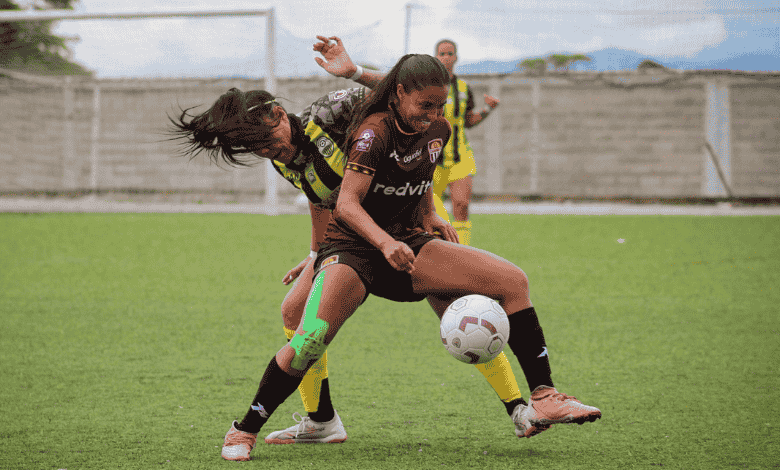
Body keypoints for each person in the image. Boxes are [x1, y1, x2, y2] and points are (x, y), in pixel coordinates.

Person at [218, 52, 601, 462]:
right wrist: (322, 253)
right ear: (399, 95)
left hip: (407, 241)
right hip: (353, 248)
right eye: (426, 105)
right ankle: (248, 429)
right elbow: (336, 203)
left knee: (511, 281)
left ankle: (540, 398)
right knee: (307, 332)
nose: (433, 113)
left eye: (439, 105)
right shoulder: (367, 135)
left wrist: (430, 212)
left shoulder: (433, 127)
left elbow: (414, 167)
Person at [167, 38, 532, 448]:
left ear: (276, 112)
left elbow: (406, 102)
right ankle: (321, 421)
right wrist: (312, 257)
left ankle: (519, 408)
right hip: (355, 240)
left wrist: (355, 72)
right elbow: (321, 202)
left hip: (407, 221)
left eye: (269, 139)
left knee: (455, 309)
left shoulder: (331, 113)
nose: (270, 150)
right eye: (258, 149)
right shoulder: (283, 157)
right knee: (293, 309)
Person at [430, 38, 499, 247]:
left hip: (461, 156)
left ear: (456, 57)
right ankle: (434, 252)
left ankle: (463, 252)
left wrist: (487, 110)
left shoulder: (462, 88)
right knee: (433, 210)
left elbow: (468, 121)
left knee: (461, 205)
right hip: (432, 159)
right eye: (442, 54)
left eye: (450, 54)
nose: (446, 58)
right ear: (436, 58)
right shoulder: (427, 87)